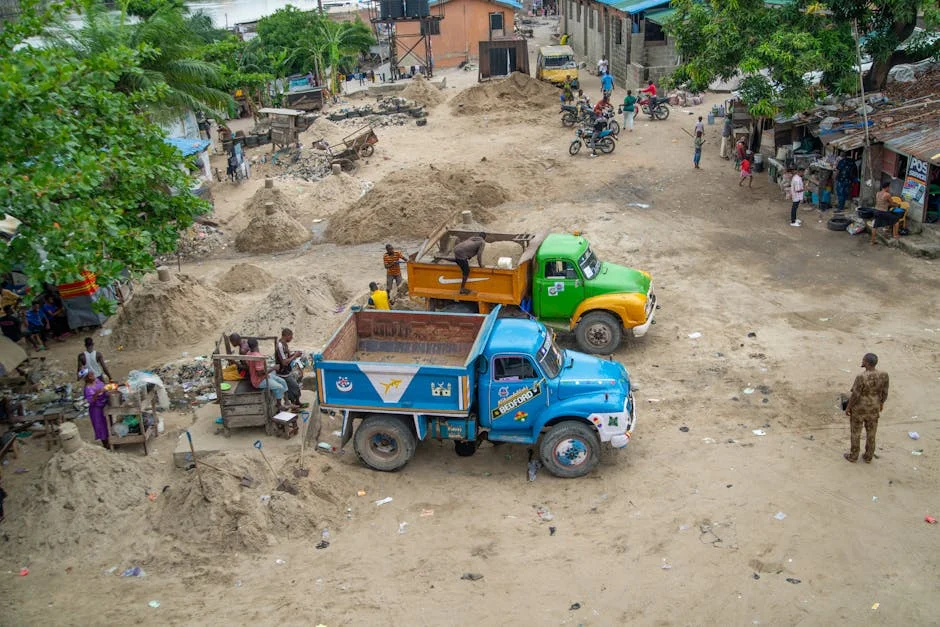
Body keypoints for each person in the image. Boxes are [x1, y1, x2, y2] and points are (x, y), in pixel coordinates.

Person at [844, 353, 889, 464]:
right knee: (871, 433)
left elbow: (855, 395)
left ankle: (853, 456)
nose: (862, 361)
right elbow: (885, 392)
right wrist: (881, 403)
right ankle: (868, 456)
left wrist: (848, 408)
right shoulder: (884, 375)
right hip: (874, 408)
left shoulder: (861, 377)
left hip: (859, 409)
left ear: (867, 363)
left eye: (863, 360)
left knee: (856, 432)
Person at [246, 338, 292, 411]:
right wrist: (273, 368)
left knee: (282, 381)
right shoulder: (258, 357)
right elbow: (260, 373)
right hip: (259, 381)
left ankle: (286, 401)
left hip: (260, 377)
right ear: (257, 344)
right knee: (279, 387)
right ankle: (279, 405)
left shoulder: (248, 354)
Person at [275, 328, 307, 407]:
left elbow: (287, 358)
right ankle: (294, 403)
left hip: (287, 371)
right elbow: (284, 362)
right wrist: (295, 356)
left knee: (292, 387)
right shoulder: (280, 345)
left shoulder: (284, 344)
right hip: (282, 372)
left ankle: (295, 403)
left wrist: (295, 355)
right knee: (294, 387)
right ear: (286, 335)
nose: (291, 338)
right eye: (291, 337)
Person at [82, 368, 109, 448]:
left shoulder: (97, 381)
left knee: (107, 424)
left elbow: (104, 387)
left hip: (104, 405)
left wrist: (107, 388)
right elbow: (91, 400)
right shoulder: (87, 388)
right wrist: (97, 393)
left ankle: (111, 440)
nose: (93, 376)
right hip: (96, 409)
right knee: (100, 426)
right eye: (91, 375)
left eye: (92, 374)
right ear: (87, 378)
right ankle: (105, 444)